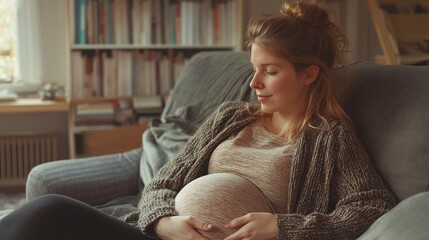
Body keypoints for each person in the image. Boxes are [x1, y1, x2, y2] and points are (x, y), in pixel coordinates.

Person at [0, 1, 396, 240]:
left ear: (309, 73)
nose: (253, 82)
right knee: (45, 212)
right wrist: (162, 222)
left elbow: (372, 206)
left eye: (270, 71)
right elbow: (165, 181)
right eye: (253, 68)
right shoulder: (231, 117)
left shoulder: (330, 137)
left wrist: (285, 228)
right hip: (160, 238)